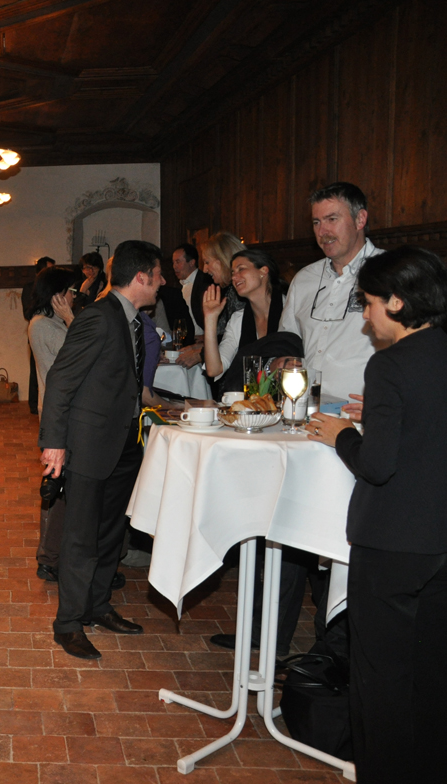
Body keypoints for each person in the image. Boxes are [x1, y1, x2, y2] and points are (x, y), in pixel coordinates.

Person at [305, 246, 447, 783]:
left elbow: (377, 465)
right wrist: (386, 416)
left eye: (368, 304)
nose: (365, 317)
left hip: (391, 543)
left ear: (397, 302)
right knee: (431, 672)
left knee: (380, 679)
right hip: (440, 539)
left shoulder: (389, 364)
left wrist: (343, 434)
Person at [39, 240, 164, 660]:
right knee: (81, 537)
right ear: (142, 277)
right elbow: (61, 380)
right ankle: (68, 623)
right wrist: (54, 443)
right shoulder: (99, 316)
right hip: (90, 444)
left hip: (124, 442)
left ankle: (97, 605)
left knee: (111, 534)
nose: (162, 282)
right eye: (158, 275)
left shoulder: (132, 320)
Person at [279, 182, 381, 401]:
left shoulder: (390, 271)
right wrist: (283, 359)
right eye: (316, 222)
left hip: (363, 410)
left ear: (360, 219)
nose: (322, 232)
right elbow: (288, 340)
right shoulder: (304, 279)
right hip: (307, 408)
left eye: (332, 219)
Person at [27, 266, 76, 583]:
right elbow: (82, 354)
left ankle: (53, 555)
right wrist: (72, 319)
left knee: (62, 485)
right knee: (58, 488)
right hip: (60, 414)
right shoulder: (44, 325)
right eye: (71, 291)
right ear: (57, 295)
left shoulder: (49, 322)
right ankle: (49, 558)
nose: (74, 296)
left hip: (61, 411)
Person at [201, 249, 286, 382]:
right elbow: (214, 369)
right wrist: (210, 319)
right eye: (232, 273)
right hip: (250, 393)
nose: (234, 277)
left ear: (263, 271)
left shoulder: (291, 309)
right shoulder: (238, 319)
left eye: (241, 269)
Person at [23, 257, 57, 414]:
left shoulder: (54, 288)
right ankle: (33, 404)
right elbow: (27, 312)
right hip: (37, 331)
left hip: (51, 330)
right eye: (50, 270)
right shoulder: (29, 288)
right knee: (35, 369)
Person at [173, 242, 207, 338]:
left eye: (178, 262)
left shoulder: (205, 282)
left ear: (192, 262)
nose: (174, 266)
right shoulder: (180, 285)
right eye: (173, 262)